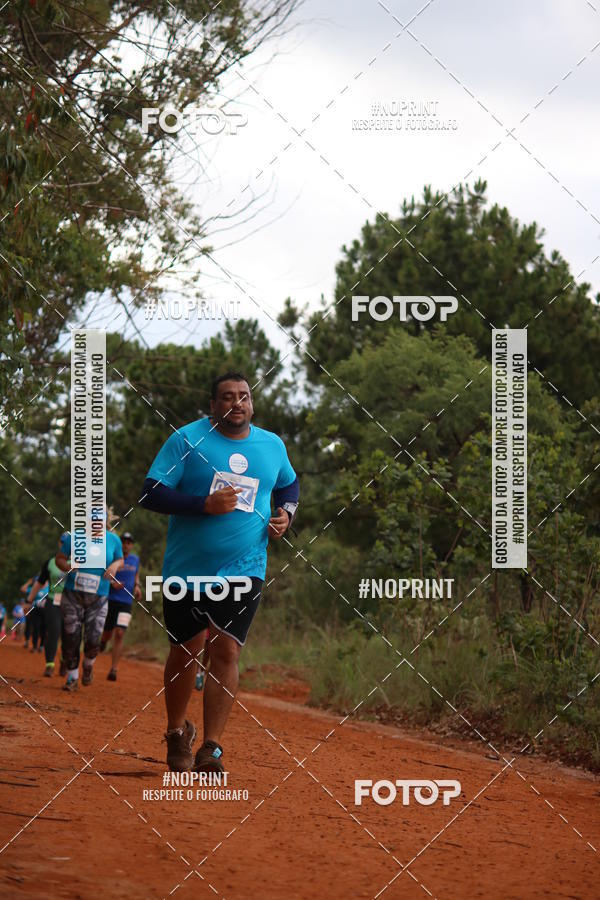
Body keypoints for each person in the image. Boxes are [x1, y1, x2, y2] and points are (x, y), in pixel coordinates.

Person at [140, 371, 299, 773]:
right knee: (185, 651)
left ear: (252, 403)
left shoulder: (272, 445)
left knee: (226, 650)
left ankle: (211, 748)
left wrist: (286, 514)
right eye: (227, 397)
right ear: (213, 405)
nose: (237, 403)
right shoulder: (186, 440)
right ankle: (177, 731)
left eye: (244, 396)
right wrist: (202, 505)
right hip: (187, 569)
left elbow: (288, 485)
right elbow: (150, 493)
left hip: (246, 567)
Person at [55, 509, 124, 692]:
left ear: (105, 521)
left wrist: (114, 565)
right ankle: (72, 677)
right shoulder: (74, 537)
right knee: (71, 636)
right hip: (73, 594)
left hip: (99, 596)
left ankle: (88, 664)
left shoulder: (113, 540)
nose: (95, 523)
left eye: (99, 520)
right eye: (92, 519)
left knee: (94, 638)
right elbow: (59, 559)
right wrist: (68, 566)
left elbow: (120, 560)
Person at [100, 531, 141, 681]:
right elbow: (103, 574)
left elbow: (136, 575)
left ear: (132, 545)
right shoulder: (113, 557)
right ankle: (103, 641)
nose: (126, 545)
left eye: (129, 543)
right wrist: (112, 583)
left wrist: (137, 586)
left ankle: (114, 669)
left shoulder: (135, 559)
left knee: (119, 633)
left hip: (126, 603)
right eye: (124, 542)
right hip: (110, 600)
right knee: (107, 633)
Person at [28, 535, 69, 677]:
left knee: (69, 635)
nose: (65, 545)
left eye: (68, 543)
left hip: (71, 603)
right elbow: (40, 582)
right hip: (53, 602)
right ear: (59, 543)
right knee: (53, 632)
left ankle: (64, 661)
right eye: (63, 542)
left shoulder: (78, 562)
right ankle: (49, 665)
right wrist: (29, 599)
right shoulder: (50, 562)